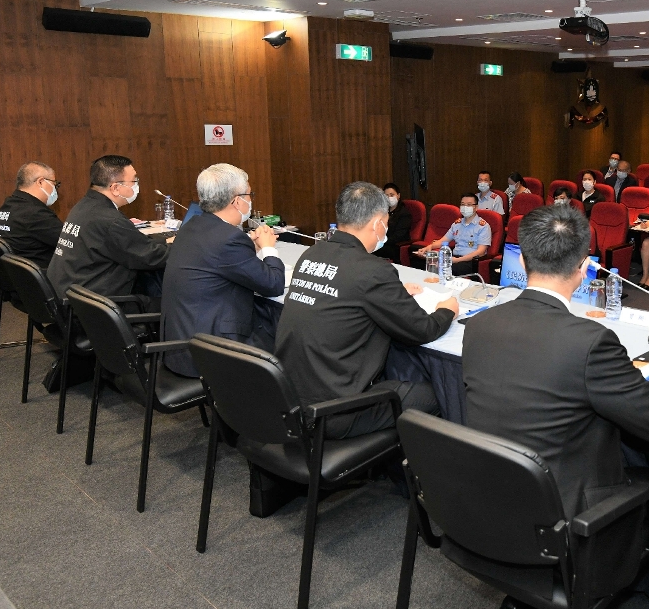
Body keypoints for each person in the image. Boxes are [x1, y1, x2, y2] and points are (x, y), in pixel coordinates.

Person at [461, 204, 649, 609]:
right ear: (586, 267)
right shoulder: (590, 342)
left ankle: (529, 602)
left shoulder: (480, 324)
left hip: (492, 502)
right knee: (644, 477)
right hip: (565, 523)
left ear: (523, 260)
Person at [276, 182, 456, 442]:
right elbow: (424, 330)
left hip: (291, 398)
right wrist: (446, 310)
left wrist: (392, 293)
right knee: (443, 396)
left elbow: (347, 292)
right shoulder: (372, 270)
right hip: (335, 410)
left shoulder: (312, 255)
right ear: (377, 223)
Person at [161, 163, 285, 377]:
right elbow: (273, 284)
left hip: (181, 345)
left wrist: (250, 249)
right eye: (249, 194)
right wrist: (268, 248)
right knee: (286, 335)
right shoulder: (228, 239)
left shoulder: (192, 226)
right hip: (209, 352)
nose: (250, 200)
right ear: (236, 201)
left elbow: (219, 260)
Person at [48, 154, 171, 303]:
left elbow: (133, 245)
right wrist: (182, 246)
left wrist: (165, 242)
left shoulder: (85, 206)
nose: (137, 185)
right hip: (96, 304)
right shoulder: (110, 220)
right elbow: (151, 257)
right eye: (134, 181)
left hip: (72, 293)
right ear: (116, 188)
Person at [0, 161, 64, 270]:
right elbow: (71, 243)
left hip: (17, 274)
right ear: (41, 182)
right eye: (55, 184)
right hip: (43, 274)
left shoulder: (9, 204)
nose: (55, 190)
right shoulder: (35, 213)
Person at [377, 183, 412, 261]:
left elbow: (398, 236)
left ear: (398, 195)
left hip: (396, 246)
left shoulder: (404, 213)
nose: (389, 198)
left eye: (392, 195)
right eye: (386, 196)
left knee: (370, 249)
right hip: (383, 243)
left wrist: (380, 241)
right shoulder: (383, 212)